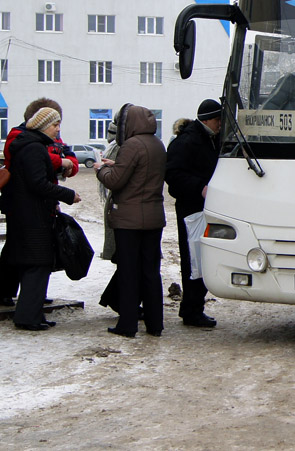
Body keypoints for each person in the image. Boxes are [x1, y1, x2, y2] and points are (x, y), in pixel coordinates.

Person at [3, 107, 81, 330]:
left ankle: (33, 315)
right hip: (33, 216)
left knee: (35, 265)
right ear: (42, 125)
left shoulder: (30, 145)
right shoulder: (34, 149)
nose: (58, 129)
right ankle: (28, 317)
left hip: (26, 213)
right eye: (55, 125)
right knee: (38, 264)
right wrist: (68, 195)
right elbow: (37, 184)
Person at [94, 104, 166, 338]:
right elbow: (140, 173)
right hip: (153, 217)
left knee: (128, 272)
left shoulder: (131, 145)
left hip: (129, 220)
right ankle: (155, 324)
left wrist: (100, 170)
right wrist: (118, 167)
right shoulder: (157, 144)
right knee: (151, 272)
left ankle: (127, 324)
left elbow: (116, 181)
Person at [165, 99, 222, 328]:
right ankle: (191, 310)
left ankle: (193, 307)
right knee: (193, 260)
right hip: (191, 209)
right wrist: (200, 187)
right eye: (218, 119)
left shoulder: (207, 138)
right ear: (207, 119)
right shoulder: (189, 141)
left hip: (202, 207)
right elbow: (172, 176)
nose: (220, 124)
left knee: (201, 257)